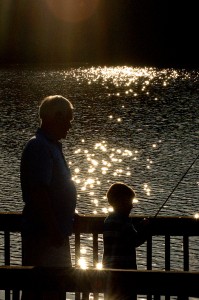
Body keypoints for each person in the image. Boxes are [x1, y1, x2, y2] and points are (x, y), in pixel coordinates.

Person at [20, 95, 77, 300]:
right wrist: (53, 230)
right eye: (68, 119)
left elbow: (55, 189)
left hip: (53, 235)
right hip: (45, 238)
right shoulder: (40, 147)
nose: (70, 125)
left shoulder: (50, 146)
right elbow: (39, 192)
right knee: (45, 291)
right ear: (57, 117)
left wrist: (70, 211)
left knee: (56, 290)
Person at [103, 182, 150, 300]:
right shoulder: (124, 222)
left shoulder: (108, 221)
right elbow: (134, 241)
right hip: (125, 271)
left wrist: (137, 226)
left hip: (109, 271)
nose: (131, 206)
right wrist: (147, 231)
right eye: (129, 202)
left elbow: (124, 236)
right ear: (120, 203)